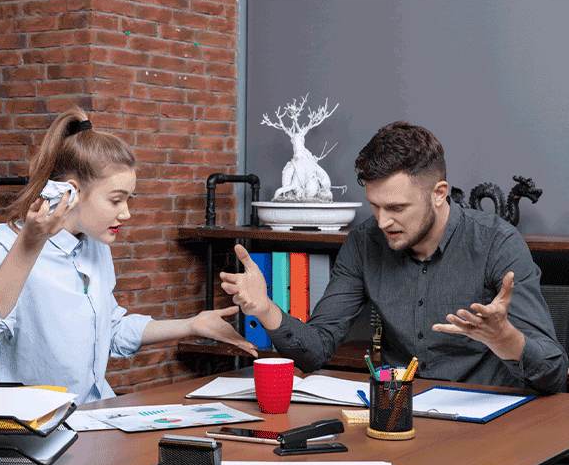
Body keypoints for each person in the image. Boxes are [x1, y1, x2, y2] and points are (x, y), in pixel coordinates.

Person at [220, 121, 568, 394]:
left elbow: (554, 372)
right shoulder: (364, 242)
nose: (383, 221)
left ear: (439, 194)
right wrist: (265, 309)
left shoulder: (496, 242)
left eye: (397, 208)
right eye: (375, 206)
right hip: (401, 415)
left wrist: (506, 339)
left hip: (490, 426)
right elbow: (317, 349)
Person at [0, 106, 257, 405]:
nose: (125, 213)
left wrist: (192, 324)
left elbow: (109, 331)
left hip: (93, 416)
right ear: (71, 192)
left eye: (128, 200)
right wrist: (30, 244)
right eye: (116, 200)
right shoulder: (3, 245)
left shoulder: (94, 247)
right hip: (37, 430)